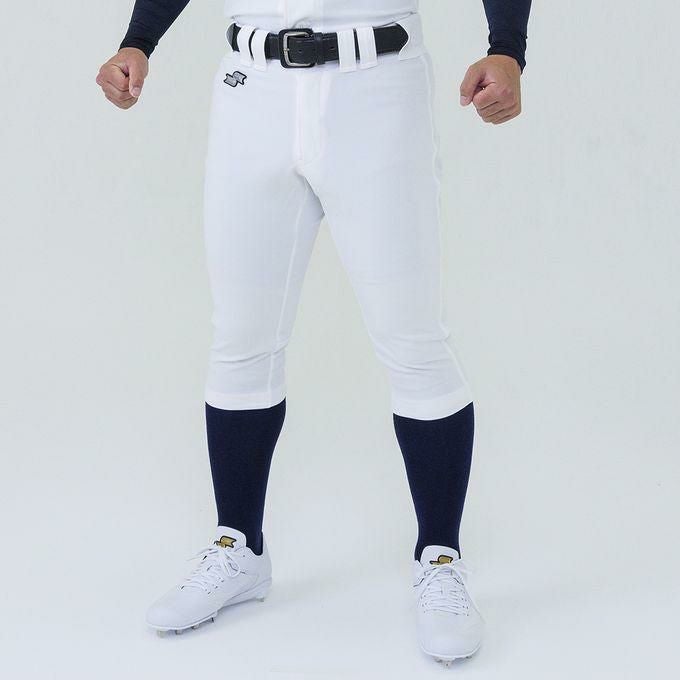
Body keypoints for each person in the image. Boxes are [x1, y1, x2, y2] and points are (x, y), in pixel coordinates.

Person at [96, 0, 532, 666]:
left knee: (413, 339)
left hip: (376, 84)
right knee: (241, 337)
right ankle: (240, 546)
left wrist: (507, 46)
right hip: (252, 87)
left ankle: (440, 557)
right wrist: (139, 39)